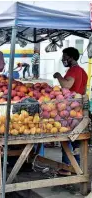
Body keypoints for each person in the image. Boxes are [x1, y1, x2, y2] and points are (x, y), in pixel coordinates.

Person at [53, 47, 87, 176]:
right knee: (76, 139)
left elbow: (66, 85)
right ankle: (76, 167)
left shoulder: (74, 70)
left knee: (66, 138)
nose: (63, 59)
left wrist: (58, 76)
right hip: (78, 109)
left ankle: (67, 168)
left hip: (70, 109)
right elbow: (83, 91)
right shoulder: (82, 71)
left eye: (65, 56)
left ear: (71, 57)